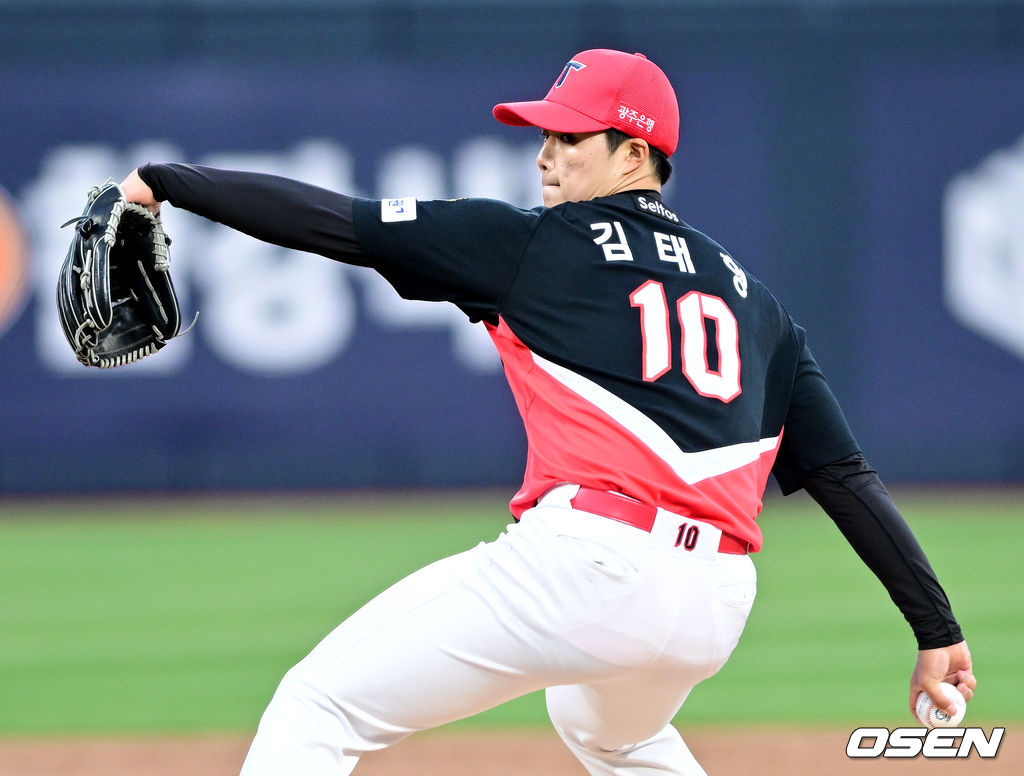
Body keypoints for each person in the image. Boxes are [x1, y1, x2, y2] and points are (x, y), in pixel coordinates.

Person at [119, 49, 975, 776]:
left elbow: (336, 224)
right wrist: (935, 628)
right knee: (611, 730)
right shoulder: (758, 304)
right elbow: (841, 474)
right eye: (545, 135)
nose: (545, 156)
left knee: (319, 703)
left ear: (633, 154)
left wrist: (167, 184)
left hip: (588, 564)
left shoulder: (534, 244)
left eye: (569, 137)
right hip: (714, 601)